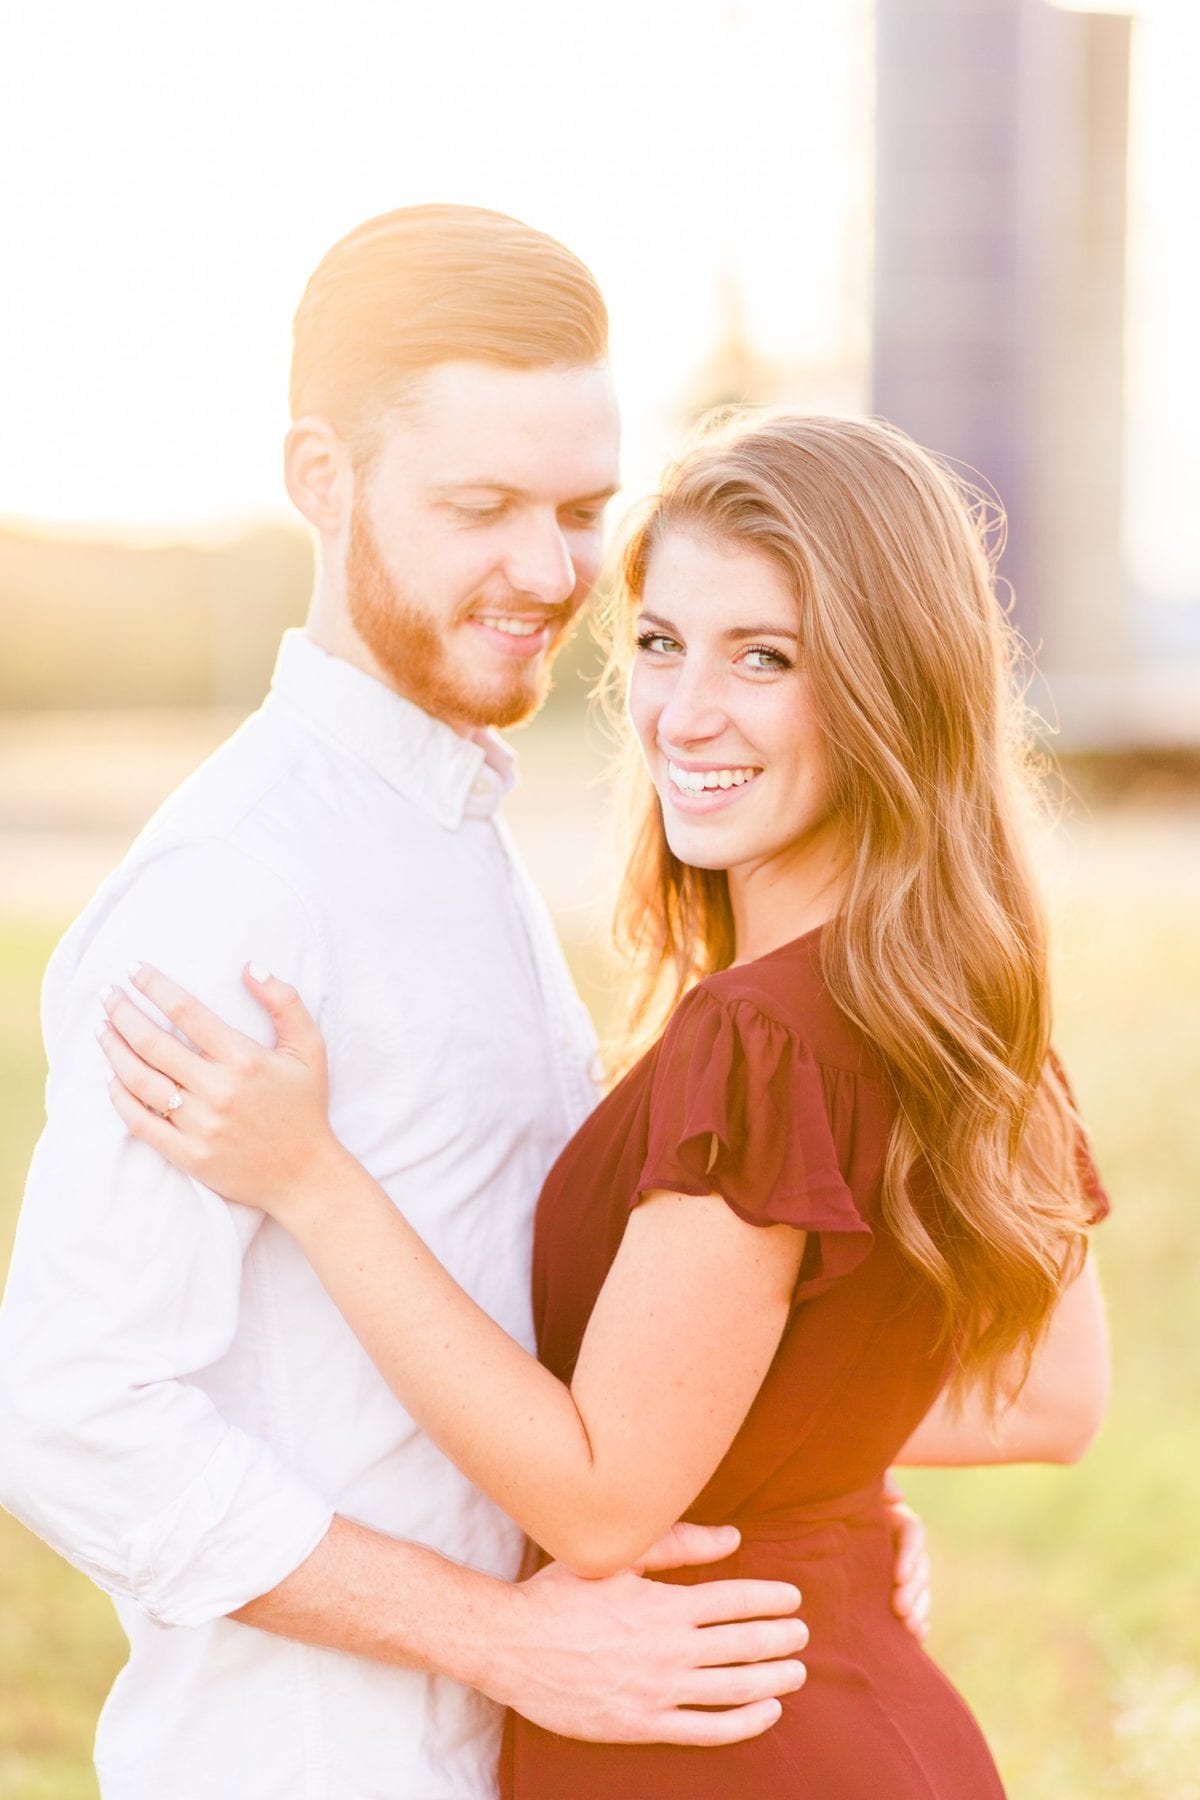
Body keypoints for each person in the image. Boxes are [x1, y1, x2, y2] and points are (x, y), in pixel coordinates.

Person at [0, 209, 934, 1800]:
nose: (549, 571)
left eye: (580, 510)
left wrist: (809, 1491)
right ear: (323, 478)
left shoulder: (464, 829)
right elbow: (71, 1416)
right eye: (483, 507)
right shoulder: (230, 891)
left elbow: (544, 1293)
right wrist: (502, 1641)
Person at [92, 410, 1111, 1796]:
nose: (686, 712)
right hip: (856, 1700)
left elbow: (602, 1497)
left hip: (713, 1742)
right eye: (660, 642)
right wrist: (791, 1480)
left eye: (766, 657)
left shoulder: (763, 1041)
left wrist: (311, 1181)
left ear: (892, 688)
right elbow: (1050, 1395)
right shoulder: (958, 1004)